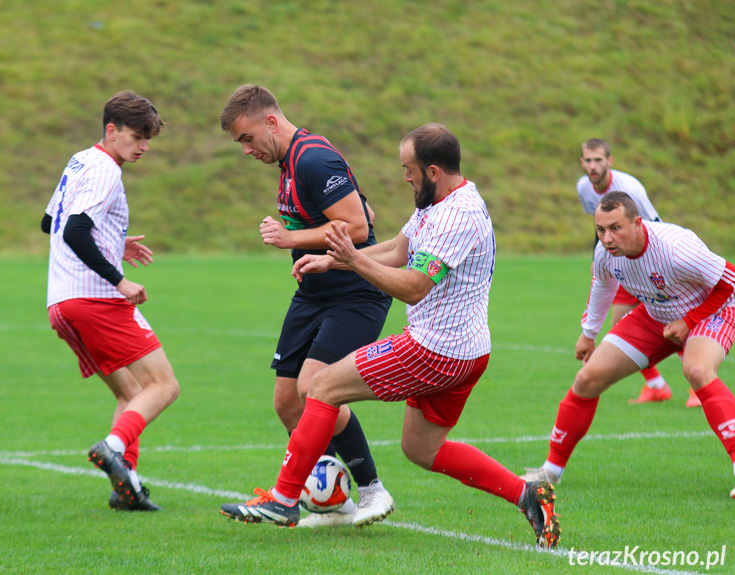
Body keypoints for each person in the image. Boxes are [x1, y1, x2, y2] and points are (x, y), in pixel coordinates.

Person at [220, 123, 561, 548]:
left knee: (321, 387)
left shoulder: (456, 216)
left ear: (433, 170)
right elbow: (400, 248)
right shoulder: (439, 201)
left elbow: (414, 284)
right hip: (467, 351)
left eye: (409, 170)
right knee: (423, 450)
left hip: (434, 349)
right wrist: (335, 262)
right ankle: (526, 494)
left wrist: (352, 262)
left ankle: (285, 498)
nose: (405, 177)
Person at [219, 84, 395, 527]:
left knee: (317, 387)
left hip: (355, 292)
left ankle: (372, 489)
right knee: (287, 402)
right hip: (314, 294)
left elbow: (357, 226)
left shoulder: (314, 158)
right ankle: (333, 499)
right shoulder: (290, 162)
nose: (245, 150)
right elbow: (367, 212)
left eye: (247, 138)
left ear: (271, 122)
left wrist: (290, 239)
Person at [522, 192, 735, 498]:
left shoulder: (676, 248)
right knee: (587, 379)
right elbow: (602, 286)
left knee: (697, 370)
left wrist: (690, 321)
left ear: (637, 223)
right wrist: (589, 333)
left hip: (713, 309)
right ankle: (551, 471)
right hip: (655, 315)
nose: (607, 238)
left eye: (615, 228)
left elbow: (731, 282)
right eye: (600, 230)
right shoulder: (605, 253)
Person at [41, 91, 180, 511]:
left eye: (147, 139)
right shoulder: (106, 171)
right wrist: (119, 280)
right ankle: (114, 447)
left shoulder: (80, 160)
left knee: (133, 390)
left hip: (61, 302)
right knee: (164, 386)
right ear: (111, 130)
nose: (144, 147)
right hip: (95, 297)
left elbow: (51, 221)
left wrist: (113, 243)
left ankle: (128, 487)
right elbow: (75, 231)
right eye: (137, 137)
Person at [576, 139, 694, 406]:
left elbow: (649, 227)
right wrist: (601, 256)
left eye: (598, 160)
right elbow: (601, 225)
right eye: (588, 160)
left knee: (671, 319)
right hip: (621, 260)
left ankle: (694, 383)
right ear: (582, 162)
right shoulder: (584, 187)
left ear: (610, 161)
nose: (593, 166)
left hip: (651, 259)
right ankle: (657, 385)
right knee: (625, 325)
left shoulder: (628, 189)